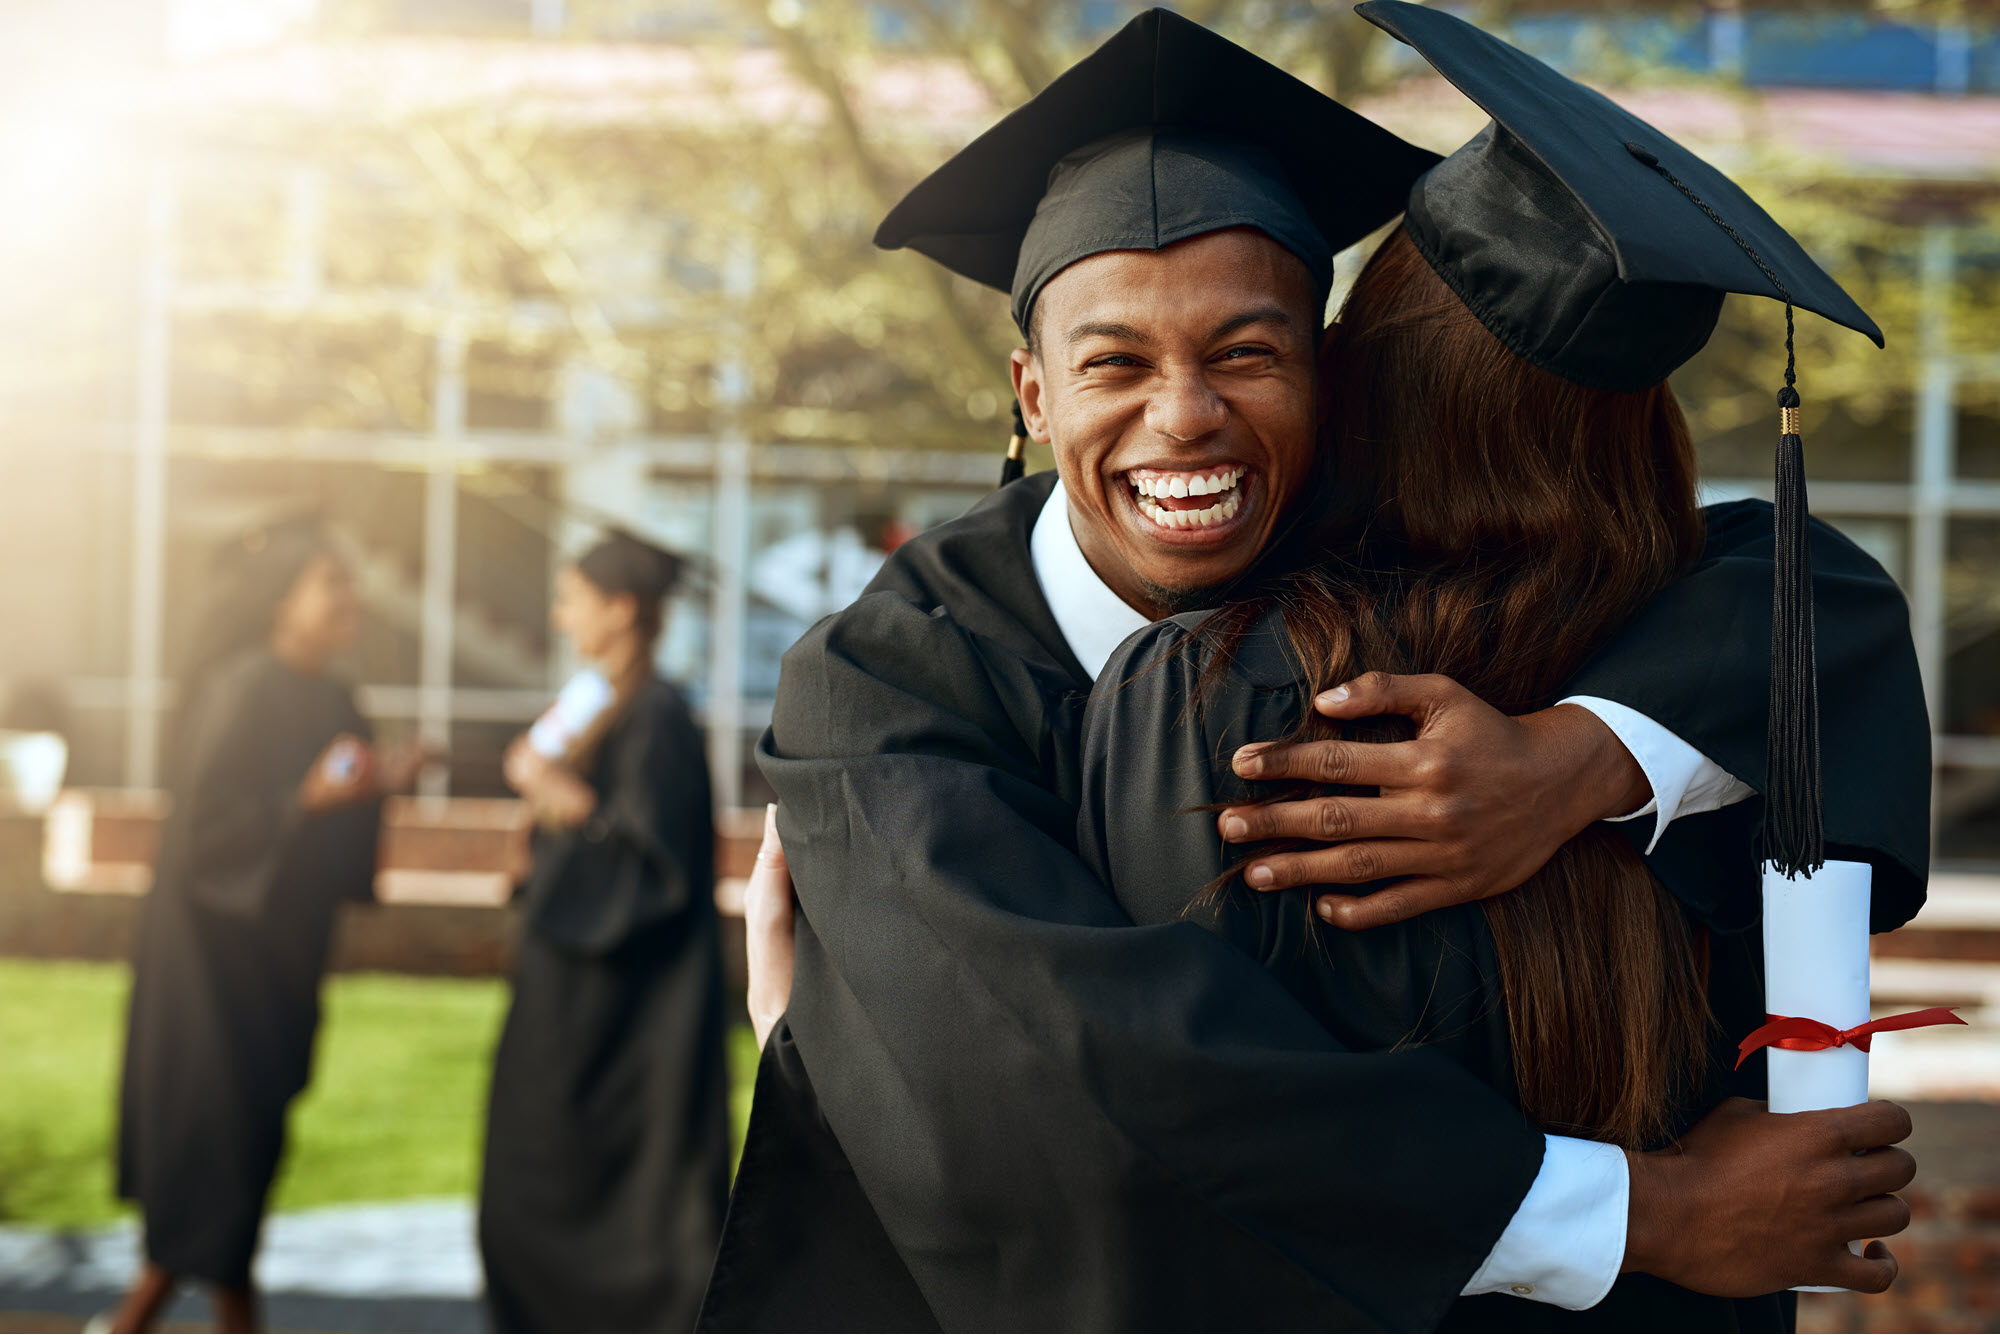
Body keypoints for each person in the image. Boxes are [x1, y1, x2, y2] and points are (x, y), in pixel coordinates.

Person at [700, 11, 1921, 1330]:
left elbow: (1804, 588)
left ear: (1331, 376)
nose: (1185, 417)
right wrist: (1653, 1210)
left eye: (1247, 352)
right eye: (1114, 361)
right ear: (1032, 392)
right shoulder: (886, 685)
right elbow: (1089, 1069)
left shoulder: (1385, 577)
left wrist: (1574, 756)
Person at [1078, 7, 1929, 1328]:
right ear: (1644, 431)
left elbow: (1203, 1146)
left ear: (1361, 370)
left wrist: (1571, 756)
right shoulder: (1741, 680)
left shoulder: (1220, 694)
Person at [110, 517, 426, 1334]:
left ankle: (138, 1317)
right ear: (281, 602)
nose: (349, 596)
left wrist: (378, 787)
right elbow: (205, 832)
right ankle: (171, 1316)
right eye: (331, 582)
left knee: (246, 1132)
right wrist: (307, 800)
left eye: (349, 581)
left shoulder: (337, 697)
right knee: (218, 1133)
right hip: (210, 957)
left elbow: (335, 838)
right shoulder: (241, 686)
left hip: (282, 953)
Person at [480, 531, 729, 1333]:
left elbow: (649, 867)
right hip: (571, 998)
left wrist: (556, 796)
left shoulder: (658, 713)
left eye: (571, 599)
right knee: (530, 1176)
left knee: (607, 1190)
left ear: (622, 609)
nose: (559, 618)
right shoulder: (596, 700)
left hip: (625, 1013)